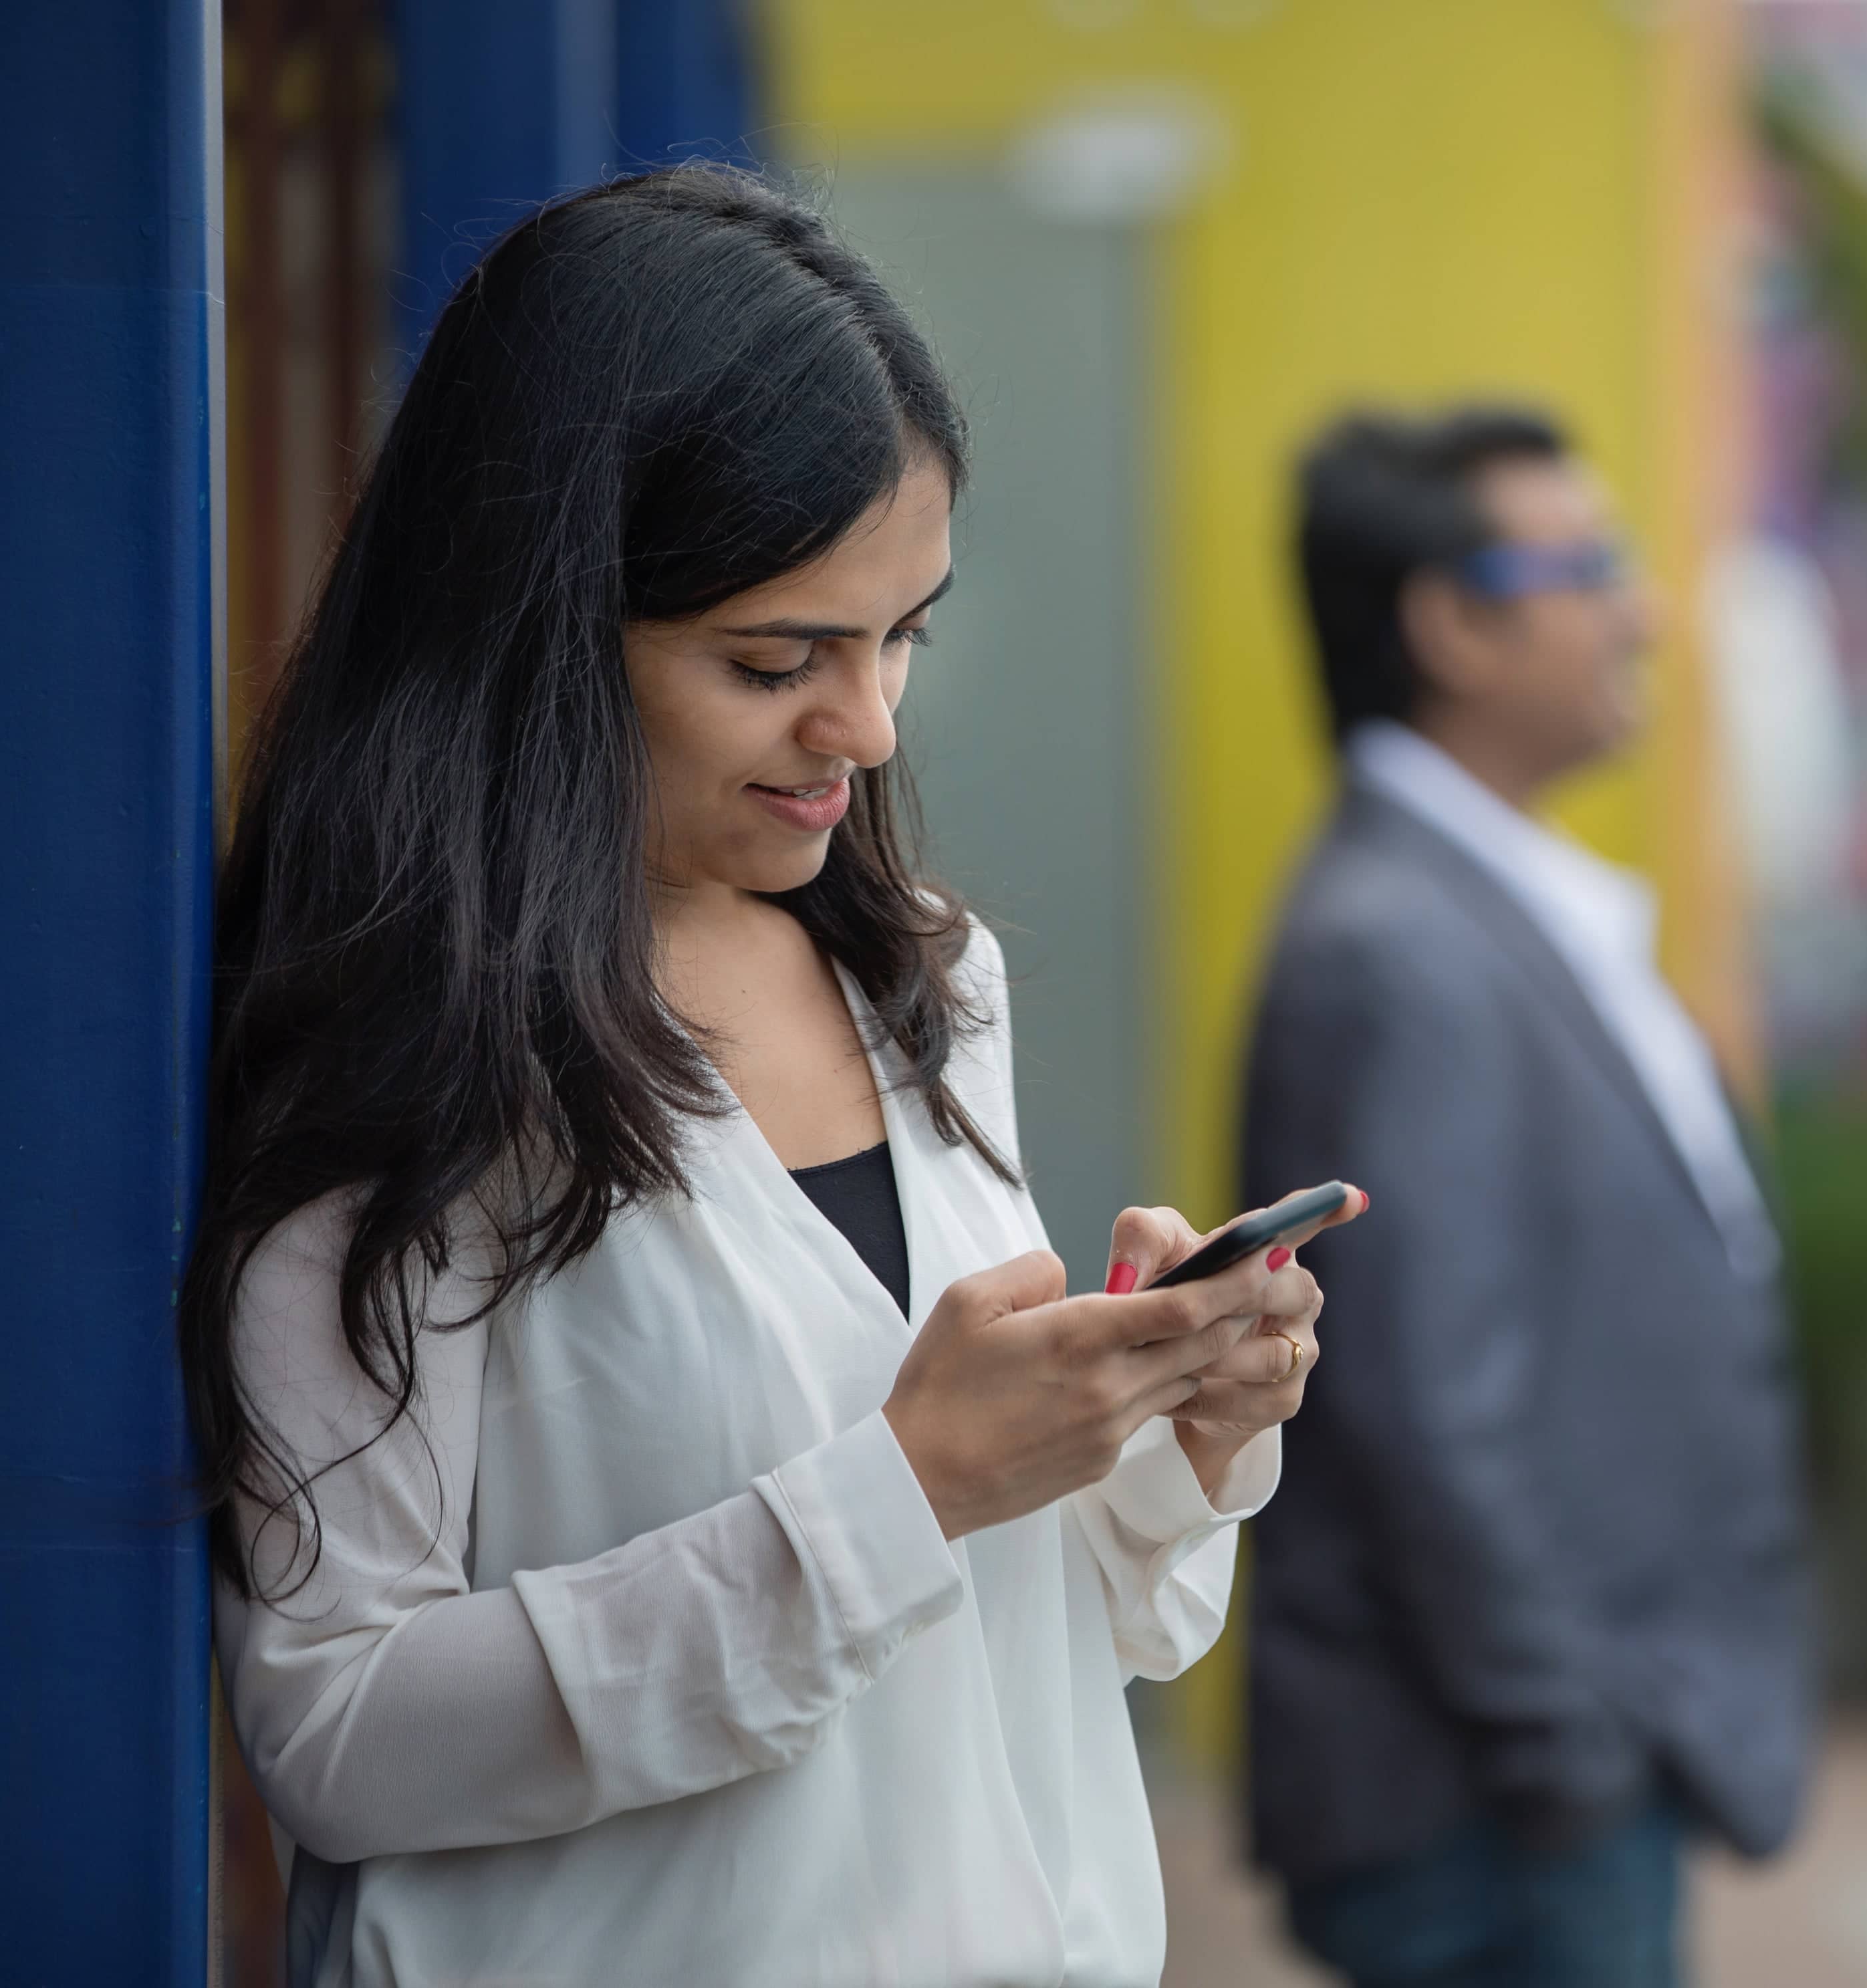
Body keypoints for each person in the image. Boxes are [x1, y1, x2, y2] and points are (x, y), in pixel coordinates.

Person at [181, 164, 1357, 1988]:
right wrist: (900, 1487)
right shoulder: (394, 1041)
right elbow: (338, 1727)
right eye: (774, 659)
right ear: (540, 630)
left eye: (903, 635)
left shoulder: (926, 978)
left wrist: (1150, 1436)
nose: (869, 726)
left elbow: (1003, 1636)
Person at [1235, 407, 1814, 1988]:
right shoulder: (1397, 947)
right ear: (1452, 623)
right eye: (1593, 566)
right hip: (1496, 1814)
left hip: (1539, 1791)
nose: (1642, 609)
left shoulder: (1477, 903)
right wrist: (1572, 1750)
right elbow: (1426, 1404)